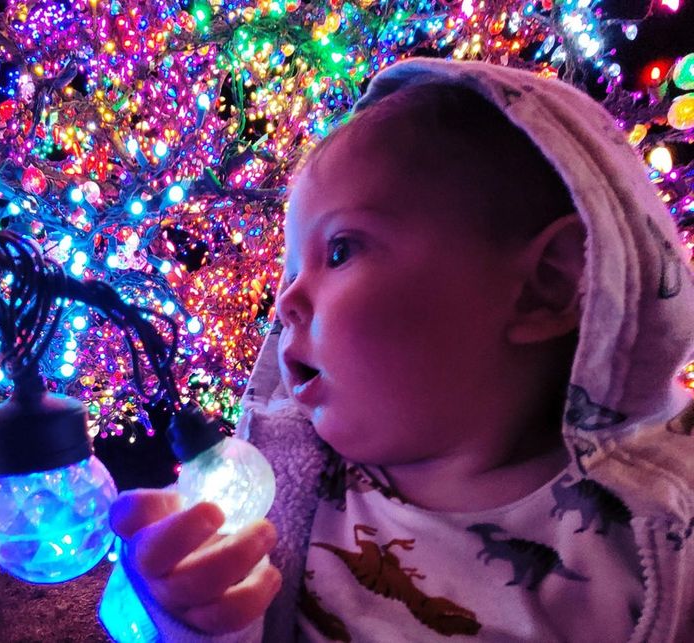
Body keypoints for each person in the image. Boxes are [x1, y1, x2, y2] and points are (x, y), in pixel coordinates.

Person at [104, 58, 694, 642]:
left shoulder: (661, 536)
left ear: (547, 286)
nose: (284, 302)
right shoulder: (281, 484)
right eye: (291, 270)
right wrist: (195, 610)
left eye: (339, 250)